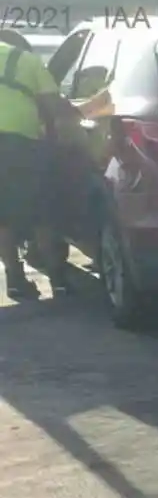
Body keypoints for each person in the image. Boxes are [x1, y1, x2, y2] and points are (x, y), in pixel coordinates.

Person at [0, 28, 72, 300]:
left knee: (2, 216)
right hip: (21, 144)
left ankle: (16, 280)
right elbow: (54, 107)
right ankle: (58, 279)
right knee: (42, 211)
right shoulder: (28, 61)